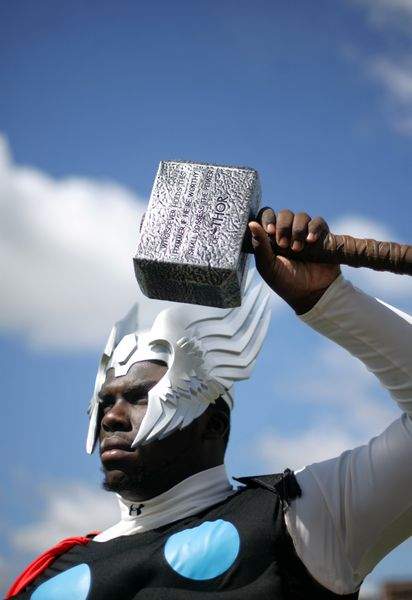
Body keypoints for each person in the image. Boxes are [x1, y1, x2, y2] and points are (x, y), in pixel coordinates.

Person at [7, 209, 412, 599]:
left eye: (138, 398)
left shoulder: (301, 518)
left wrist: (328, 300)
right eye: (106, 400)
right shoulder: (46, 578)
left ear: (213, 424)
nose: (112, 417)